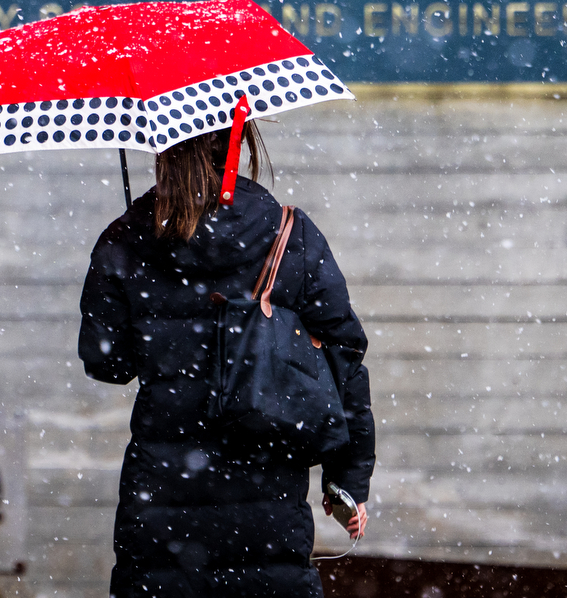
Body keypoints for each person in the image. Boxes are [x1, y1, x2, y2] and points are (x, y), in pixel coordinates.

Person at [78, 122, 375, 597]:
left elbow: (107, 363)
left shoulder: (125, 240)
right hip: (268, 498)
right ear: (234, 139)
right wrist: (348, 480)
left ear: (160, 145)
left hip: (162, 504)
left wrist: (130, 271)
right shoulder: (289, 233)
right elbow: (345, 361)